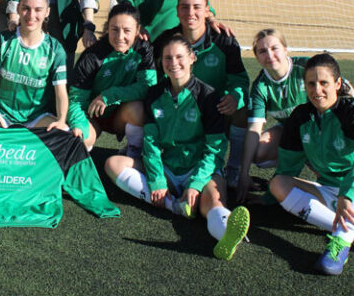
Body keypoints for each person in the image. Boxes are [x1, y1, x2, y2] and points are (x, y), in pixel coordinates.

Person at [104, 34, 250, 260]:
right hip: (169, 168)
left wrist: (195, 184)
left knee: (211, 202)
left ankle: (226, 233)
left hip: (201, 169)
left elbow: (214, 149)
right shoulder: (154, 94)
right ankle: (173, 205)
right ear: (161, 62)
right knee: (113, 164)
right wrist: (158, 182)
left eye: (179, 57)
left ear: (192, 58)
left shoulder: (209, 96)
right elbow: (150, 144)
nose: (174, 63)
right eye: (167, 58)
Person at [269, 53, 354, 275]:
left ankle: (339, 245)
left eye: (324, 83)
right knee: (278, 184)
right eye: (311, 83)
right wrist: (268, 200)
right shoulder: (300, 117)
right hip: (334, 196)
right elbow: (288, 166)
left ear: (338, 84)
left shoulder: (352, 111)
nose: (317, 90)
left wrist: (348, 194)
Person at [236, 29, 354, 203]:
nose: (269, 55)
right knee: (258, 150)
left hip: (323, 130)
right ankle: (300, 164)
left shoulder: (306, 68)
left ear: (285, 49)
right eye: (262, 51)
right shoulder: (260, 87)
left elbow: (348, 93)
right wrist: (243, 173)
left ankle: (318, 170)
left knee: (333, 172)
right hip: (292, 133)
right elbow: (254, 129)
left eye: (274, 48)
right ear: (257, 57)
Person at [154, 0, 249, 188]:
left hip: (214, 112)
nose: (191, 13)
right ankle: (144, 151)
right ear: (177, 11)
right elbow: (154, 83)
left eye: (197, 7)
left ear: (207, 11)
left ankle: (232, 170)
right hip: (178, 110)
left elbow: (240, 81)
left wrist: (235, 97)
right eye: (185, 7)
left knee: (242, 109)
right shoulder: (165, 41)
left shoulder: (224, 40)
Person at [0, 0, 68, 131]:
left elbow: (61, 92)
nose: (31, 15)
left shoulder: (55, 49)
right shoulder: (2, 41)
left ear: (47, 12)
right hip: (0, 113)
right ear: (18, 8)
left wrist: (62, 120)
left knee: (62, 133)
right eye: (26, 8)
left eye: (38, 10)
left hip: (37, 117)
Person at [68, 1, 156, 152]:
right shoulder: (92, 57)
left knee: (138, 109)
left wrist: (110, 95)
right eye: (114, 29)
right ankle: (82, 163)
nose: (120, 37)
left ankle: (134, 154)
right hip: (92, 115)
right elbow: (76, 101)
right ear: (107, 28)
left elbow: (148, 87)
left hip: (120, 116)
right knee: (80, 138)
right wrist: (78, 125)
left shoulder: (143, 49)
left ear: (137, 30)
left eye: (127, 30)